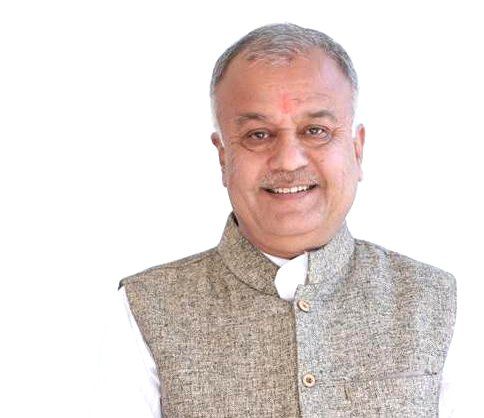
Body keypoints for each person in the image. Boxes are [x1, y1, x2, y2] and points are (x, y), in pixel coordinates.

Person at [97, 23, 457, 417]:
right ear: (223, 156)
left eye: (316, 131)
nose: (288, 160)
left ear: (357, 150)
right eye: (258, 135)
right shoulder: (142, 309)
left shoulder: (438, 303)